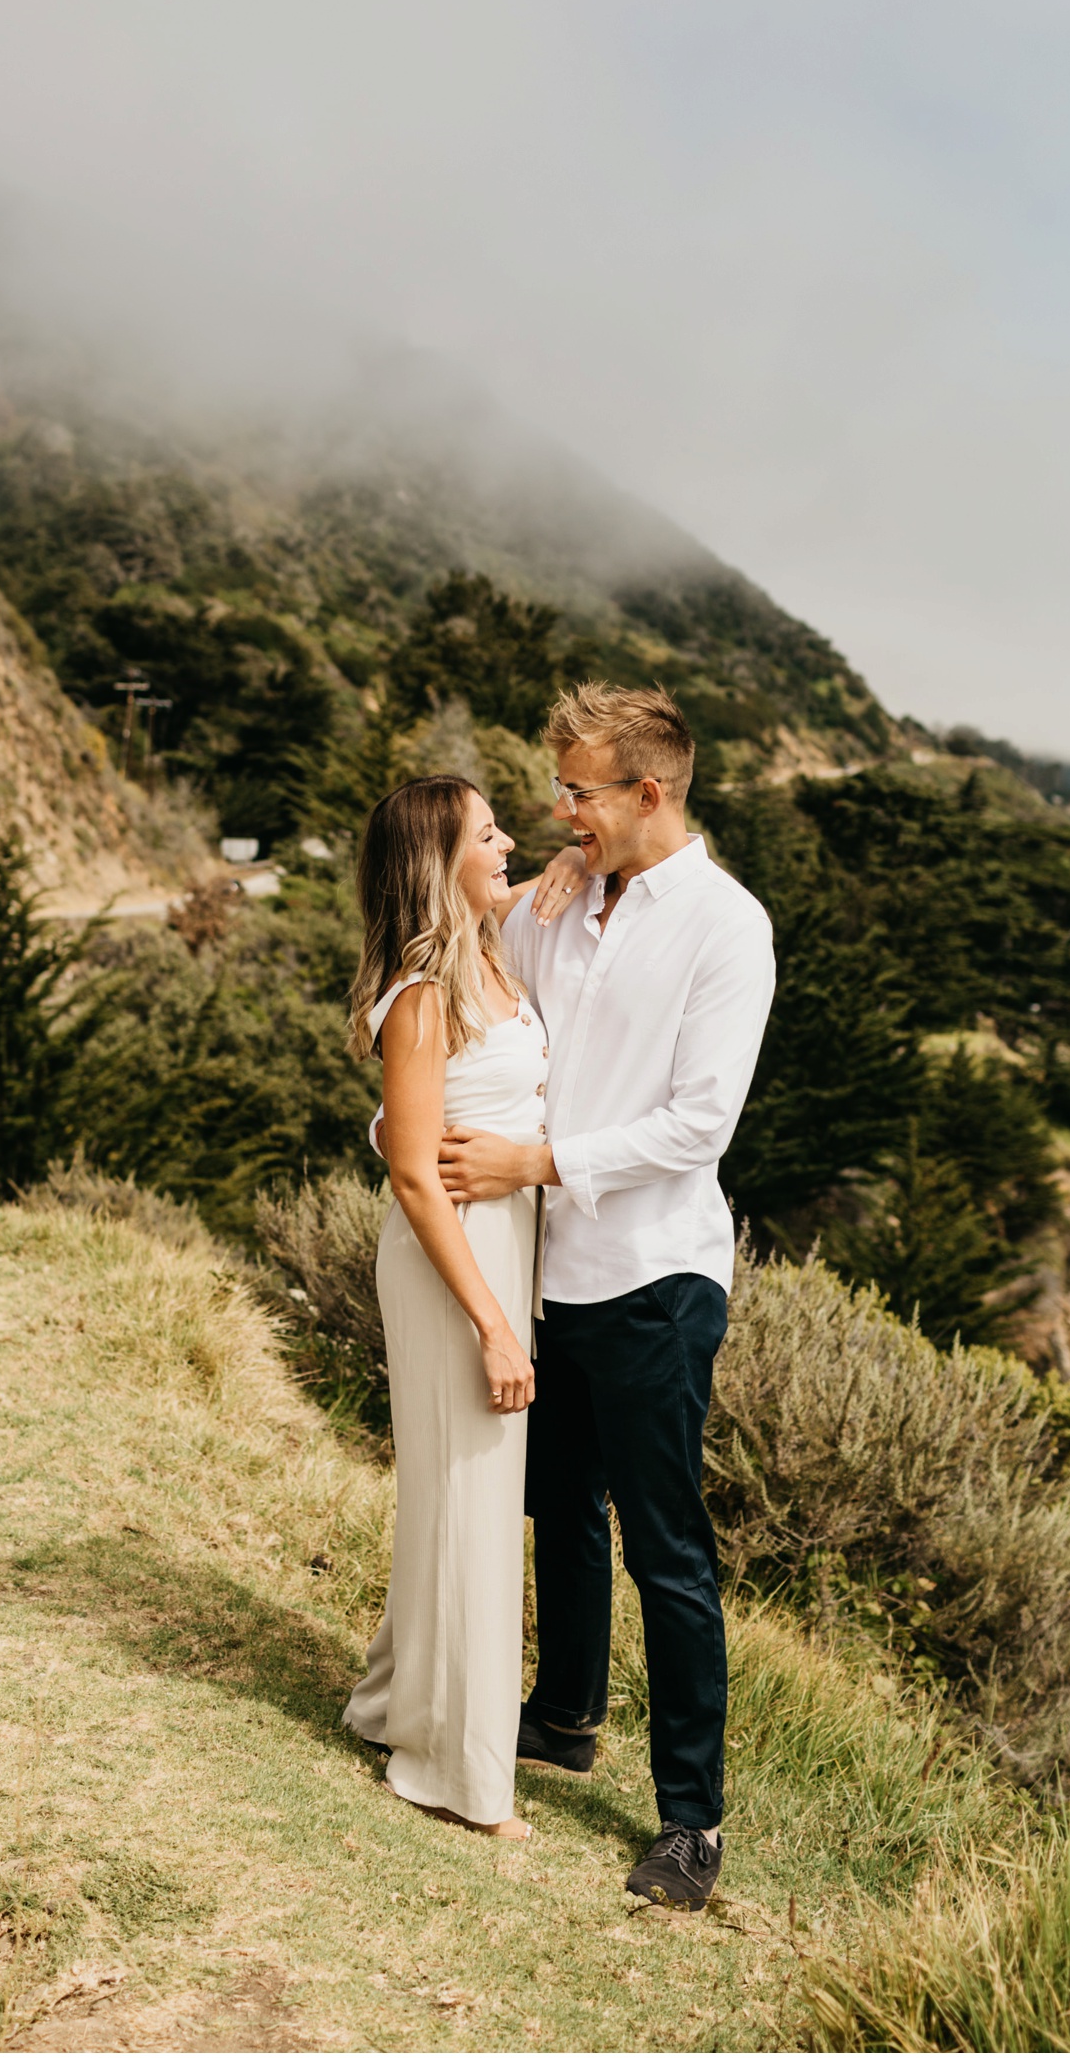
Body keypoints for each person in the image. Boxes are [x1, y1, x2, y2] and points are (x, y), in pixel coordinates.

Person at [436, 683, 776, 1909]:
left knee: (665, 1544)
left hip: (656, 1274)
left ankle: (691, 1822)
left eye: (579, 790)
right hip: (545, 1273)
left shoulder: (729, 927)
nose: (560, 809)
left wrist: (541, 1162)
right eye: (558, 788)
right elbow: (475, 1014)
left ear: (651, 790)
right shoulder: (558, 906)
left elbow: (700, 1124)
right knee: (558, 1507)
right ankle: (564, 1718)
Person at [340, 773, 581, 1839]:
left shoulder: (491, 955)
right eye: (490, 834)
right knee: (472, 1501)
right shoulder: (425, 997)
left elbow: (546, 877)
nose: (511, 842)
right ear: (443, 863)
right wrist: (491, 1322)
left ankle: (400, 1697)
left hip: (503, 1243)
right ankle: (455, 1765)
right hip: (453, 1265)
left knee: (467, 1493)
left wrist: (574, 860)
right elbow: (411, 1172)